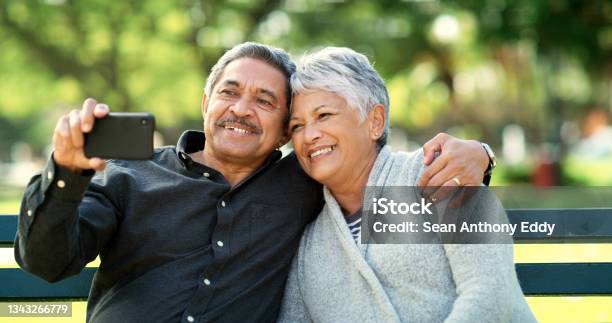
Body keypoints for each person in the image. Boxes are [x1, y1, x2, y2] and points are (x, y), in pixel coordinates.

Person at [14, 42, 491, 322]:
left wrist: (478, 156)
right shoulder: (132, 172)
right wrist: (65, 173)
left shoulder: (305, 182)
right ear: (206, 102)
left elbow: (372, 158)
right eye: (230, 92)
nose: (241, 108)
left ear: (286, 127)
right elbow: (47, 263)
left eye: (265, 100)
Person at [279, 47, 536, 322]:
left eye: (324, 115)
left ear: (375, 122)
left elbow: (492, 294)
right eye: (297, 126)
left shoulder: (441, 172)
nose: (310, 135)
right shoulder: (309, 245)